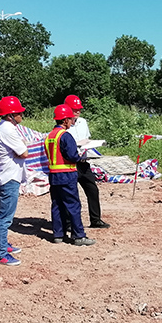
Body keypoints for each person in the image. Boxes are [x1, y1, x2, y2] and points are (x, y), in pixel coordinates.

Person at [45, 104, 95, 246]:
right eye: (71, 119)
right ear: (65, 120)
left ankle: (58, 235)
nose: (73, 122)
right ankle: (78, 236)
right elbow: (72, 156)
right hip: (66, 174)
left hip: (53, 175)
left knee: (57, 205)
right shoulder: (65, 136)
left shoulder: (50, 136)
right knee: (73, 205)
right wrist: (80, 156)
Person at [0, 96, 30, 266]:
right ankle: (0, 254)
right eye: (19, 113)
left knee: (4, 215)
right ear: (10, 115)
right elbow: (24, 153)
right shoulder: (7, 130)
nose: (22, 115)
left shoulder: (2, 128)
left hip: (5, 176)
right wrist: (19, 151)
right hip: (9, 178)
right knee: (5, 217)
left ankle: (3, 245)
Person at [64, 94, 110, 229]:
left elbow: (87, 139)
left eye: (79, 109)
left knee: (92, 190)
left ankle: (95, 219)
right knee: (71, 194)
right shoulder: (64, 124)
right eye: (75, 109)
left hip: (84, 162)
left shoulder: (83, 122)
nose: (78, 111)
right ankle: (68, 223)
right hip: (71, 163)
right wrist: (78, 143)